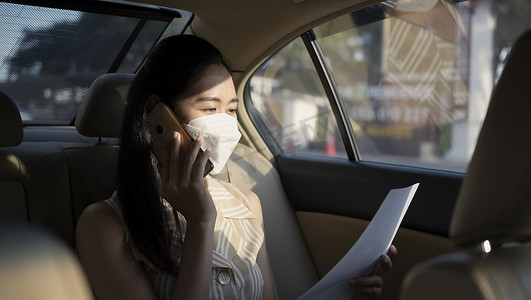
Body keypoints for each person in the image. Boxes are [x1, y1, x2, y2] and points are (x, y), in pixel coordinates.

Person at [76, 34, 396, 300]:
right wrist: (201, 222)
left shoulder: (247, 203)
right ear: (157, 115)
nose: (227, 124)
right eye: (210, 107)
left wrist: (347, 294)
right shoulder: (106, 224)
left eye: (231, 109)